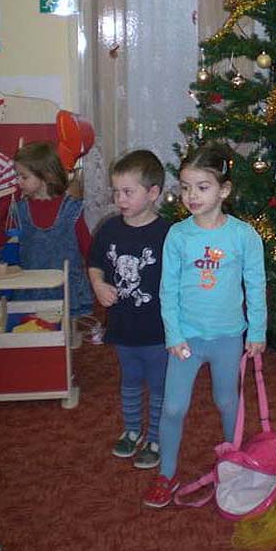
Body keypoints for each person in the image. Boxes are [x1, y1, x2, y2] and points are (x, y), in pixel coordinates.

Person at [143, 143, 267, 508]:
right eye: (185, 187)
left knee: (227, 401)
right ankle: (167, 473)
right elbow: (167, 290)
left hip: (228, 337)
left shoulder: (244, 236)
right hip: (187, 339)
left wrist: (257, 331)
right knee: (172, 408)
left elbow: (256, 285)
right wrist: (173, 334)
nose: (191, 196)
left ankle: (235, 464)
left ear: (224, 190)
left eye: (202, 187)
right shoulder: (178, 235)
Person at [88, 150, 171, 469]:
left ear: (153, 193)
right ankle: (133, 430)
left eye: (127, 192)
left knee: (160, 385)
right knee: (130, 381)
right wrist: (98, 284)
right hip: (122, 326)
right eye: (116, 191)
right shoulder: (109, 229)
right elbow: (95, 262)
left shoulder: (168, 234)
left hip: (158, 330)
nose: (119, 199)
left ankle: (156, 437)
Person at [0, 142, 93, 316]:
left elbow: (88, 247)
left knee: (66, 327)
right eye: (17, 176)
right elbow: (0, 238)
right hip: (32, 286)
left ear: (47, 176)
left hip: (66, 287)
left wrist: (99, 276)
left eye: (24, 177)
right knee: (34, 326)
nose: (18, 182)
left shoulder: (71, 208)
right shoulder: (20, 209)